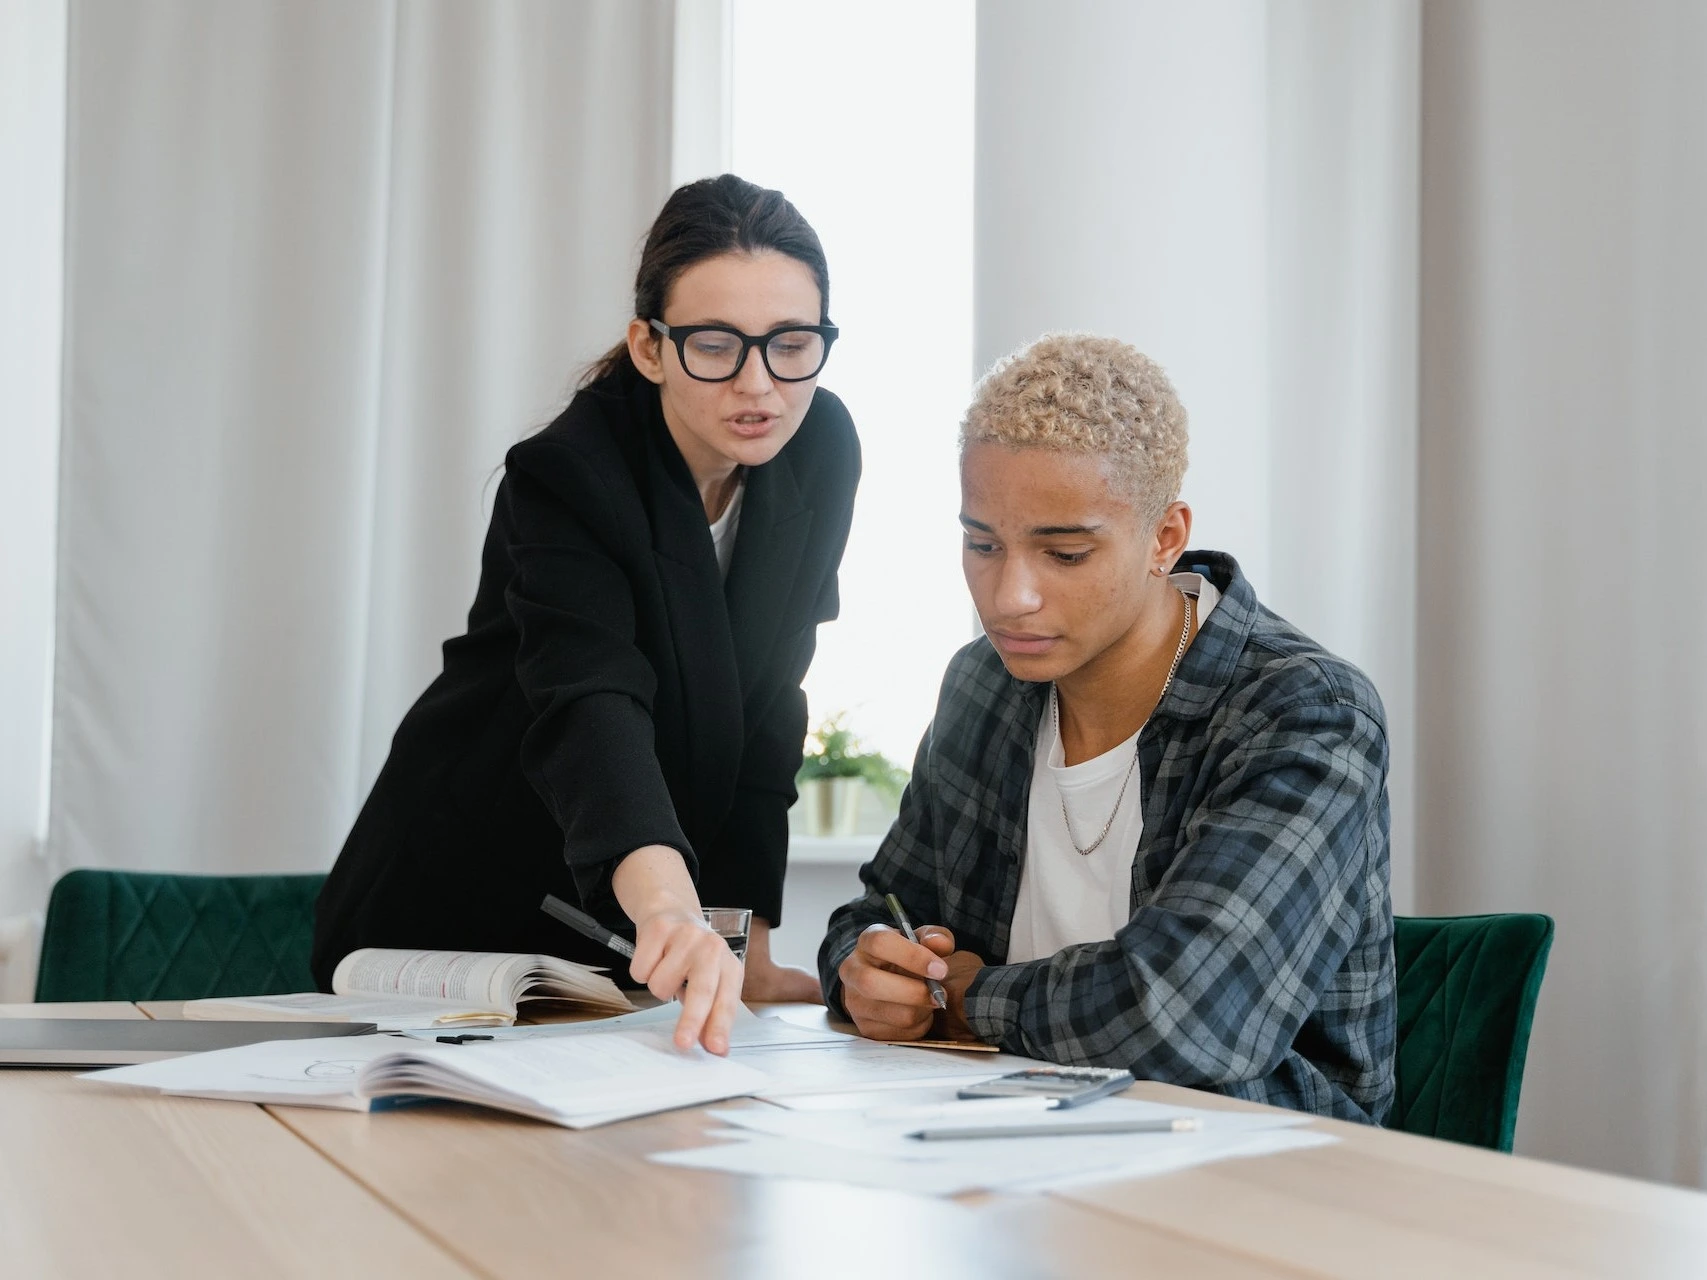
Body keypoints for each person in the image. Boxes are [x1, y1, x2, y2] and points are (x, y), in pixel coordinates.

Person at [315, 175, 860, 1055]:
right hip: (460, 901)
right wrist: (673, 911)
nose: (759, 383)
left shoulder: (820, 446)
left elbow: (769, 701)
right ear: (649, 346)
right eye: (716, 344)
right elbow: (591, 705)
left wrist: (743, 943)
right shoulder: (569, 473)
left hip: (632, 927)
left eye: (791, 343)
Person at [819, 334, 1395, 1121]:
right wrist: (867, 974)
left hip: (1260, 1176)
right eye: (981, 544)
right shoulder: (982, 683)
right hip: (1005, 1144)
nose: (1008, 595)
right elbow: (877, 916)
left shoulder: (1305, 714)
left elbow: (1183, 1017)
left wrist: (963, 996)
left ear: (1164, 538)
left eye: (1063, 554)